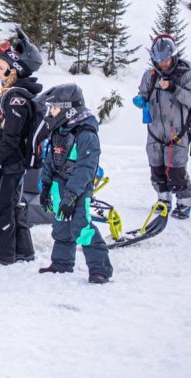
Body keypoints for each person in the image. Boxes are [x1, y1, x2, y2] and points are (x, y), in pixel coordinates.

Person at [37, 83, 113, 284]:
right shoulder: (59, 130)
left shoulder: (86, 134)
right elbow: (50, 160)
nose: (51, 112)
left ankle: (100, 269)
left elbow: (85, 169)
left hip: (78, 188)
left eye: (54, 108)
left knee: (81, 226)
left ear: (68, 109)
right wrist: (45, 187)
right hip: (58, 185)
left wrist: (71, 197)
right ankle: (61, 263)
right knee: (61, 225)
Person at [0, 27, 42, 265]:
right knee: (14, 205)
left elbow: (11, 137)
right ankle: (24, 250)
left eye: (0, 67)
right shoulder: (16, 95)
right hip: (13, 160)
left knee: (2, 207)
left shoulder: (16, 99)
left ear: (14, 69)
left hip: (10, 161)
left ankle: (3, 254)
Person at [132, 34, 191, 219]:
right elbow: (143, 93)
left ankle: (184, 203)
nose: (162, 64)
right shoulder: (150, 75)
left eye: (165, 60)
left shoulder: (186, 75)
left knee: (176, 170)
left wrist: (173, 88)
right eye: (158, 60)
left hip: (177, 132)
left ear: (173, 56)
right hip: (155, 130)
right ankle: (163, 200)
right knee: (156, 168)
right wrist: (140, 100)